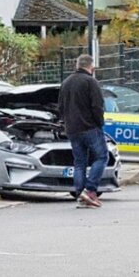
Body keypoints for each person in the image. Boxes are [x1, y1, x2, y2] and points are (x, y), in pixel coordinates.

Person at [58, 54, 107, 209]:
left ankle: (80, 195)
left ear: (77, 65)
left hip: (72, 129)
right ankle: (90, 190)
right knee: (101, 157)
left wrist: (66, 123)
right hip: (89, 127)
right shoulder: (90, 82)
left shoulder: (66, 83)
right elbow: (97, 106)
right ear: (90, 66)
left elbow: (60, 106)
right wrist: (99, 123)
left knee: (79, 162)